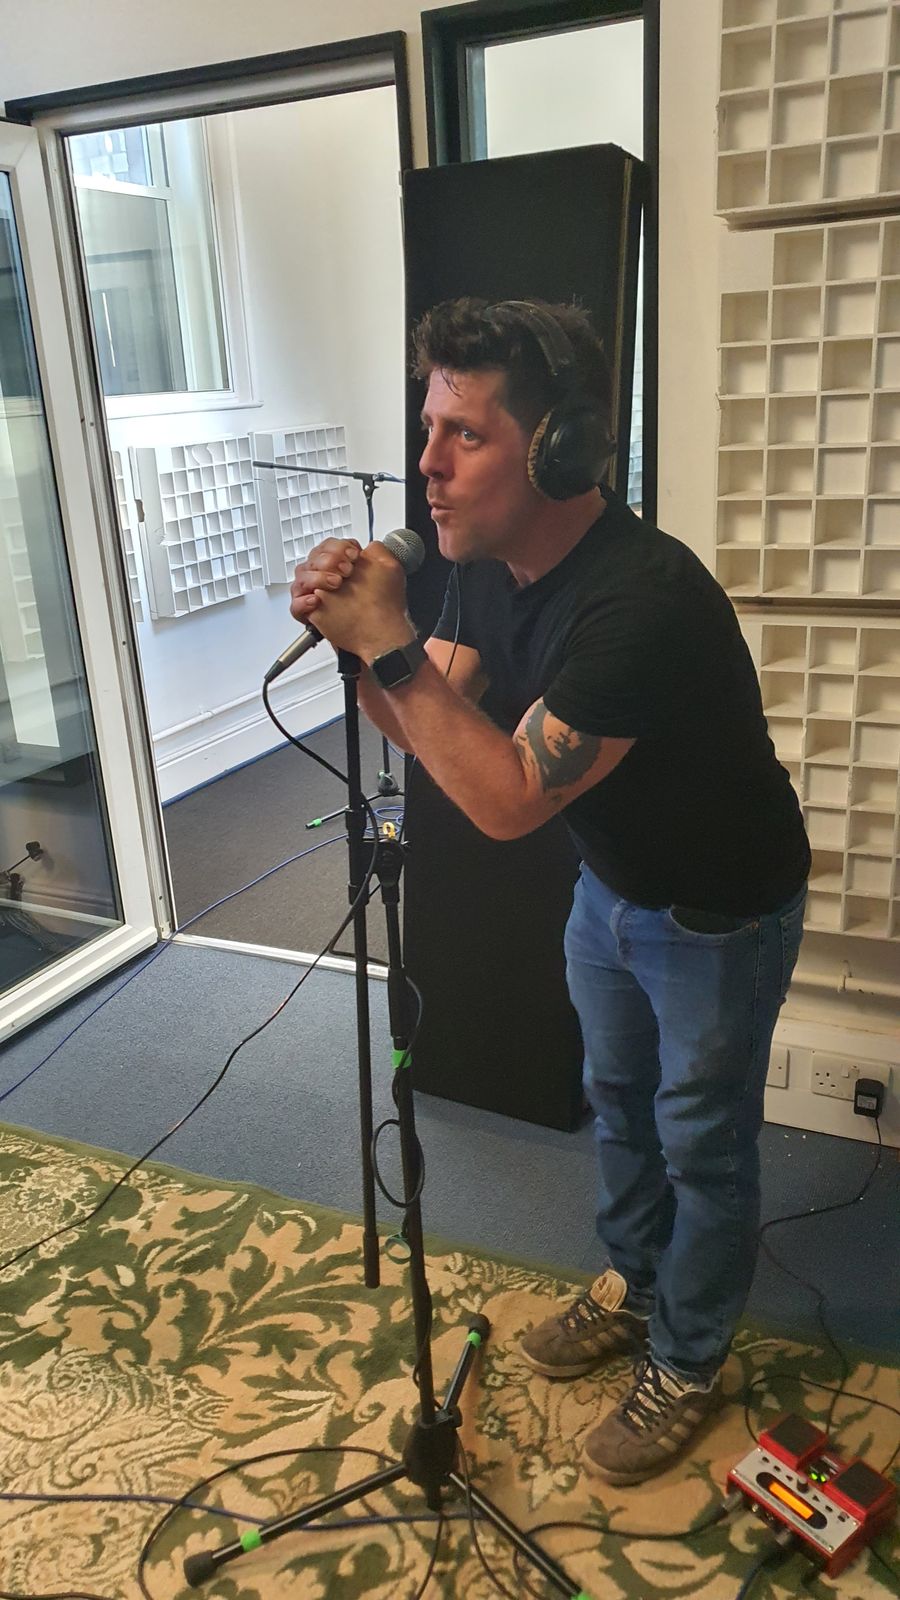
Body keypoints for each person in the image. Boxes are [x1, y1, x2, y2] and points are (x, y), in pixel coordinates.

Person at [288, 296, 811, 1487]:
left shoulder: (643, 602)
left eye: (464, 433)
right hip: (610, 884)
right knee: (617, 1103)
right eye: (429, 427)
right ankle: (636, 1283)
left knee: (703, 1140)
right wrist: (365, 642)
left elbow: (509, 796)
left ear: (558, 450)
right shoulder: (487, 565)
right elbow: (438, 714)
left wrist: (391, 642)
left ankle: (689, 1353)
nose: (427, 463)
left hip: (716, 911)